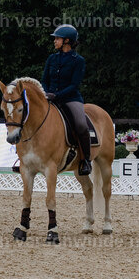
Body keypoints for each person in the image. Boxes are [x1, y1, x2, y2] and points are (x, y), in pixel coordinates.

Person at [42, 24, 92, 176]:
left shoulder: (78, 60)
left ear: (67, 41)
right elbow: (44, 80)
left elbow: (74, 85)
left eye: (57, 38)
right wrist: (45, 92)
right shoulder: (51, 58)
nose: (54, 41)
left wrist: (56, 95)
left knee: (81, 124)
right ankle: (24, 158)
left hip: (70, 99)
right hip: (49, 97)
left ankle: (86, 160)